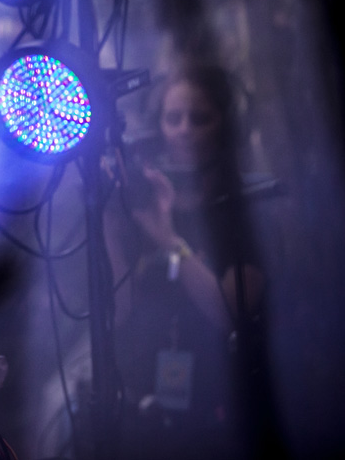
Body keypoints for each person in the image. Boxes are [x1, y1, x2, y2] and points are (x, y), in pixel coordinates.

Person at [104, 64, 268, 460]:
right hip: (146, 410)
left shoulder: (250, 205)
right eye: (172, 118)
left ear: (226, 126)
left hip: (223, 411)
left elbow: (231, 312)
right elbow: (118, 313)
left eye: (200, 118)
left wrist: (169, 239)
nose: (184, 129)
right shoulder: (142, 203)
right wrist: (108, 219)